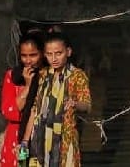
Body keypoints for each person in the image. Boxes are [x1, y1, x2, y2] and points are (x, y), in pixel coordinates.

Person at [23, 31, 91, 167]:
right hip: (40, 140)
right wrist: (25, 140)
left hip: (65, 141)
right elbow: (35, 110)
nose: (54, 58)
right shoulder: (43, 75)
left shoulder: (77, 75)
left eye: (58, 53)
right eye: (49, 54)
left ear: (68, 52)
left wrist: (75, 104)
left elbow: (87, 106)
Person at [0, 31, 47, 167]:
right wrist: (27, 86)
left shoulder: (48, 76)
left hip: (41, 134)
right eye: (24, 56)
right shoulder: (12, 77)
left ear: (42, 53)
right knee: (21, 165)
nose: (28, 60)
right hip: (17, 137)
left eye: (33, 55)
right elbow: (10, 112)